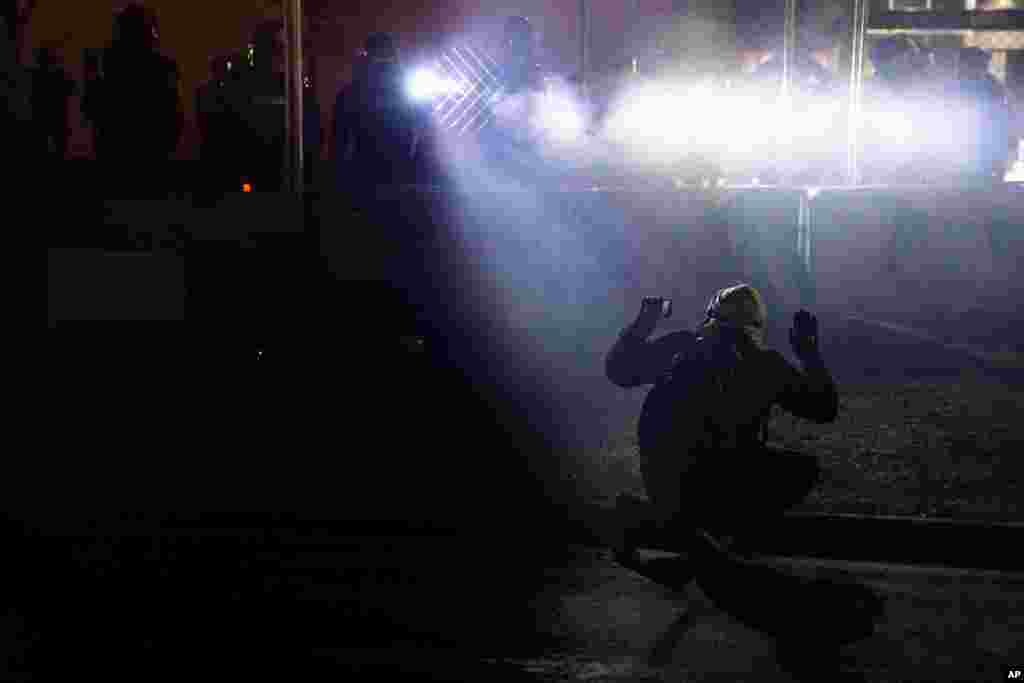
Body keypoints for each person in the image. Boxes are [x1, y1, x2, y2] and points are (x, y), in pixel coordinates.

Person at [605, 284, 837, 560]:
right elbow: (823, 409)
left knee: (692, 498)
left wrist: (644, 323)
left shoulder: (681, 346)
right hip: (721, 479)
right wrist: (808, 352)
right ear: (756, 325)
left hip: (664, 481)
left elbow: (619, 370)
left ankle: (647, 518)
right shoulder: (765, 365)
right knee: (802, 470)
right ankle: (731, 538)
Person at [92, 4, 183, 190]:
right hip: (148, 158)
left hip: (121, 161)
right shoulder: (162, 67)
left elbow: (97, 112)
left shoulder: (111, 65)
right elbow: (172, 115)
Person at [333, 32, 426, 189]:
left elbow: (340, 143)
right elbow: (420, 132)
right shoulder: (410, 91)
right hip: (398, 175)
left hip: (365, 175)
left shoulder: (351, 92)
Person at [953, 47, 1012, 182]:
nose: (982, 69)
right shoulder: (954, 87)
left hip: (985, 155)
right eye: (977, 65)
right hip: (962, 156)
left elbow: (1003, 120)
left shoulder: (992, 86)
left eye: (983, 65)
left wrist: (1000, 160)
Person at [29, 46, 76, 159]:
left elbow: (34, 96)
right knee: (58, 139)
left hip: (46, 112)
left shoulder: (37, 75)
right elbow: (69, 89)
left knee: (46, 139)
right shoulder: (57, 74)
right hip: (56, 111)